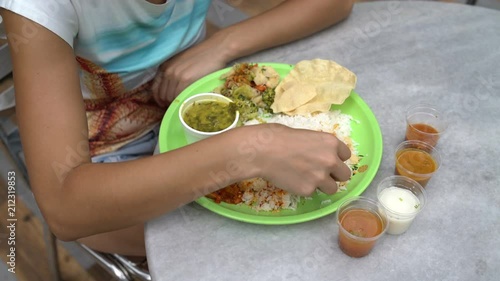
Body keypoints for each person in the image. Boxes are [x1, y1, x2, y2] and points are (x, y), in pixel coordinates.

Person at [0, 0, 355, 258]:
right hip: (102, 160)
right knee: (260, 248)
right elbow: (66, 208)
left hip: (199, 101)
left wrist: (223, 43)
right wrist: (252, 150)